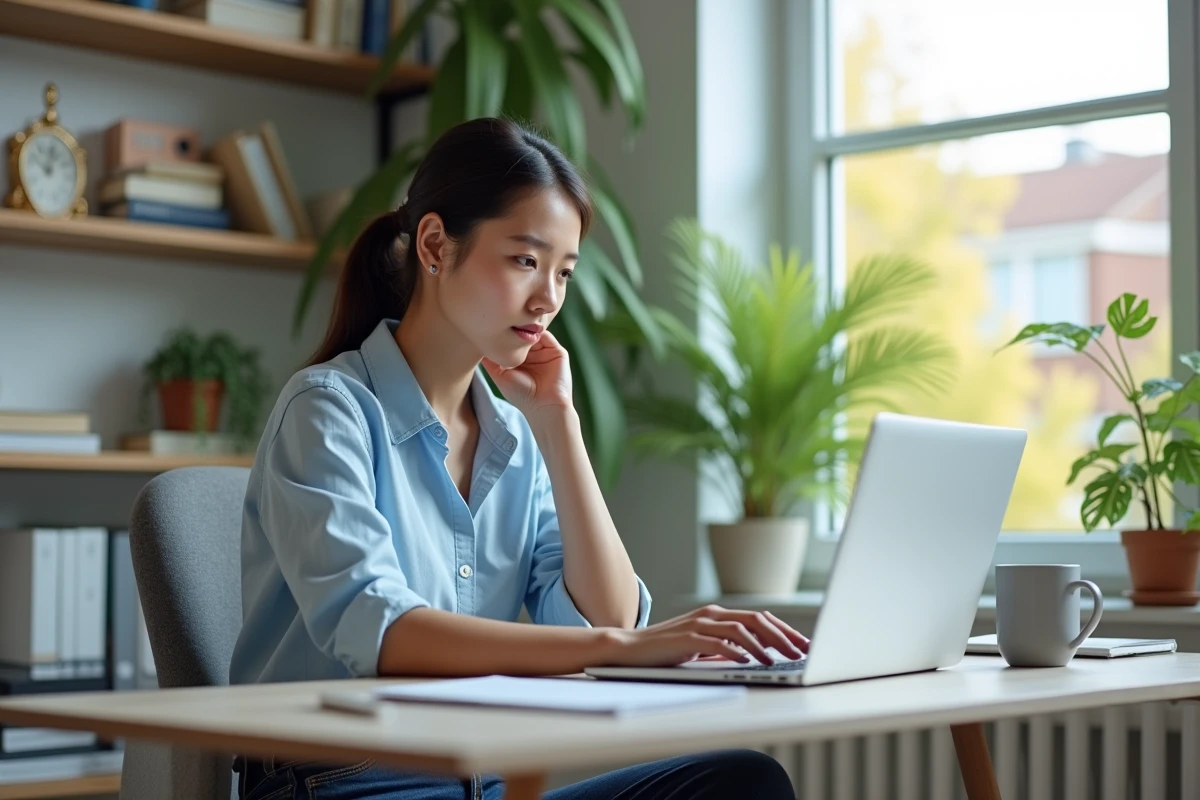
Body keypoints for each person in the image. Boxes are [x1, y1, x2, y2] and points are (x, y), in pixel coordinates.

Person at [229, 117, 807, 800]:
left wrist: (559, 425)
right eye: (525, 261)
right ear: (436, 246)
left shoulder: (513, 436)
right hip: (348, 782)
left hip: (478, 783)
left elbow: (611, 620)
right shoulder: (327, 409)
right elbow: (384, 634)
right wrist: (622, 649)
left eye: (564, 272)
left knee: (741, 781)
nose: (548, 299)